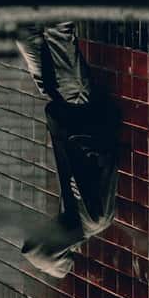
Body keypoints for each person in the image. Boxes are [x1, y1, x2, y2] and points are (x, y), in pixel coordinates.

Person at [15, 22, 121, 279]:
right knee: (57, 32)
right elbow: (106, 159)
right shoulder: (95, 219)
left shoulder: (71, 217)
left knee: (25, 34)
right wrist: (79, 135)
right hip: (78, 104)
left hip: (64, 108)